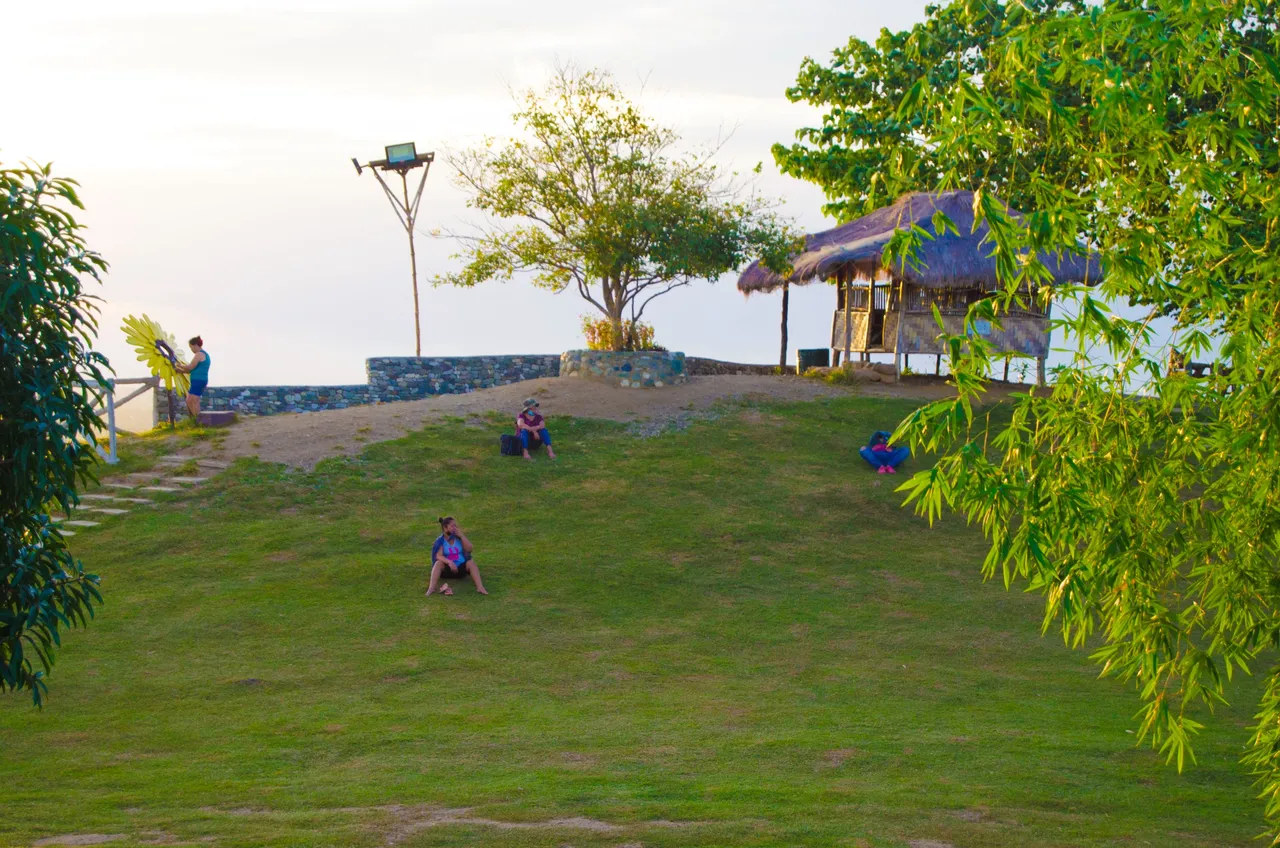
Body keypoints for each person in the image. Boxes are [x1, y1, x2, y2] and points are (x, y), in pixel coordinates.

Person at [427, 516, 488, 596]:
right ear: (445, 528)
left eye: (455, 526)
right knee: (438, 563)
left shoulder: (458, 538)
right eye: (452, 526)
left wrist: (462, 536)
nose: (455, 528)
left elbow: (470, 549)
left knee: (471, 563)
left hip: (461, 569)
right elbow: (438, 556)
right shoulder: (440, 541)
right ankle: (431, 588)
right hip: (447, 570)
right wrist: (450, 562)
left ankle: (480, 587)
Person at [176, 336, 211, 421]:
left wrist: (180, 366)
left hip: (198, 380)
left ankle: (197, 420)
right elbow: (191, 370)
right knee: (193, 401)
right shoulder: (204, 354)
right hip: (199, 380)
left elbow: (190, 367)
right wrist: (180, 370)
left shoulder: (199, 354)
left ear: (195, 345)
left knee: (191, 401)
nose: (191, 349)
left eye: (191, 347)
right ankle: (197, 420)